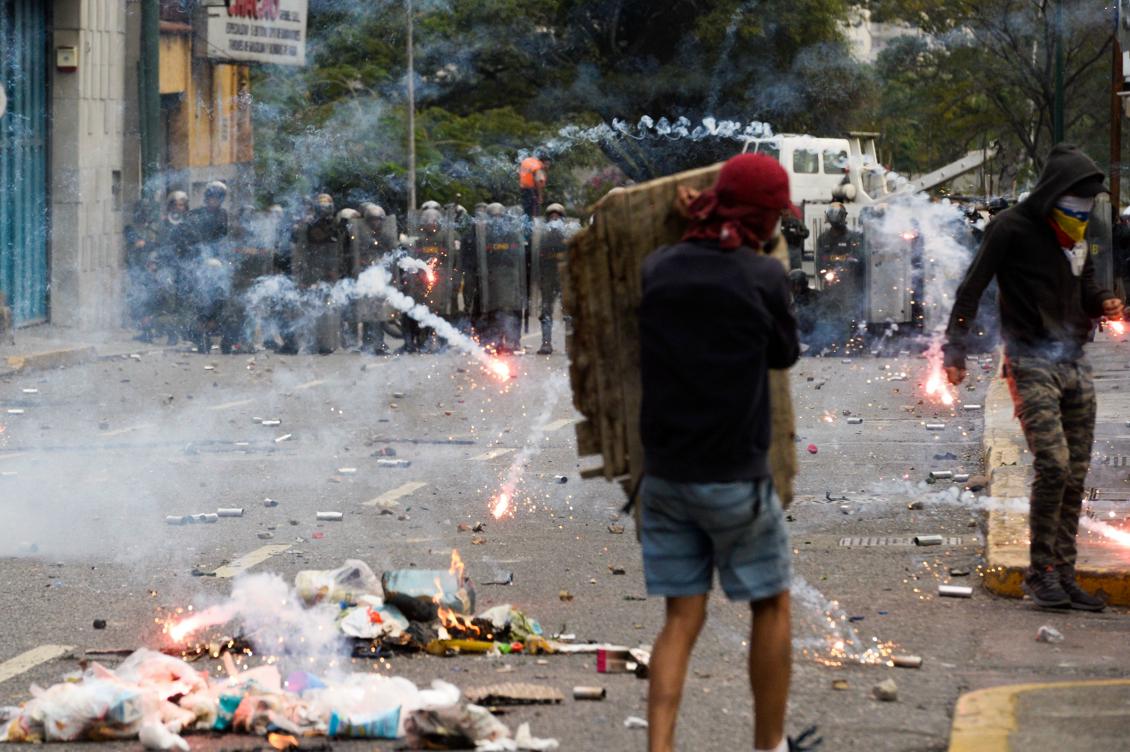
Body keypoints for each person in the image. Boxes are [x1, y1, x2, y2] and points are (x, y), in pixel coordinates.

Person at [637, 153, 810, 752]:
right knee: (770, 604)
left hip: (663, 478)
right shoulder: (763, 276)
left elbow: (684, 254)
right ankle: (768, 746)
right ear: (763, 219)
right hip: (736, 477)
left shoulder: (658, 267)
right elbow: (784, 356)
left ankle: (660, 747)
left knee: (680, 620)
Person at [943, 144, 1125, 610]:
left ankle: (1064, 573)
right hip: (1028, 360)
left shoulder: (1075, 237)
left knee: (1075, 475)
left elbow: (1082, 285)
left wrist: (1103, 300)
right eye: (1076, 203)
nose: (1081, 213)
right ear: (1054, 195)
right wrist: (955, 350)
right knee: (1054, 465)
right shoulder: (1011, 229)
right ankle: (1039, 571)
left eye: (1089, 205)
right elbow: (971, 289)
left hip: (1073, 362)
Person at [533, 203, 573, 355]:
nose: (554, 219)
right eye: (551, 216)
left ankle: (570, 345)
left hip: (565, 279)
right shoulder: (542, 237)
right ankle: (546, 343)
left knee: (568, 313)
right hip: (548, 279)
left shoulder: (569, 235)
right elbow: (536, 258)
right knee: (546, 311)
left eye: (557, 216)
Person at [519, 152, 549, 218]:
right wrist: (540, 196)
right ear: (543, 162)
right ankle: (531, 227)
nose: (547, 166)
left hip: (523, 189)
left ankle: (526, 226)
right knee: (534, 213)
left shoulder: (528, 161)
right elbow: (539, 180)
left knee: (526, 212)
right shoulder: (539, 168)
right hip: (531, 192)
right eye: (547, 164)